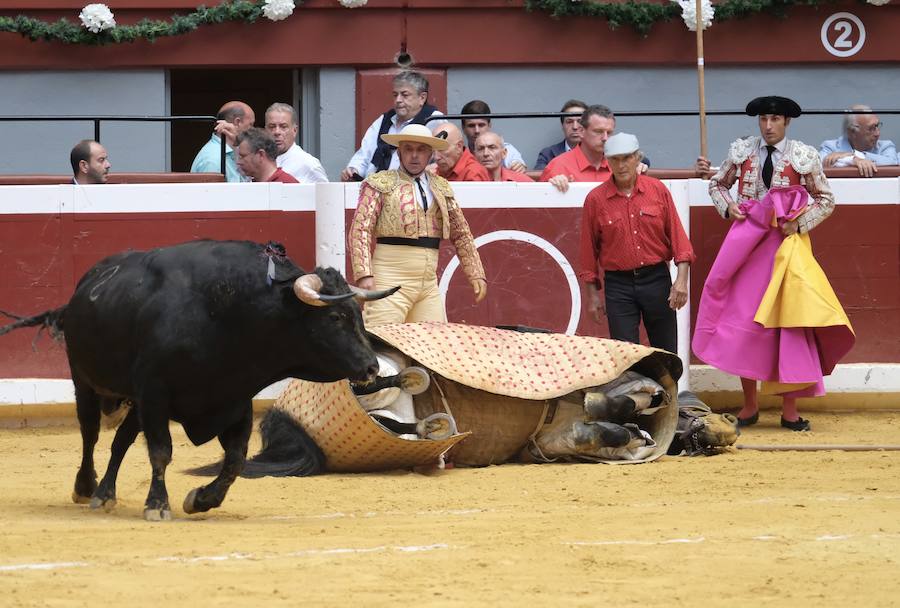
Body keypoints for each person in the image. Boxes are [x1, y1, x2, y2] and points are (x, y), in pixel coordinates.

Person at [695, 95, 837, 432]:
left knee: (788, 325)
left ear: (787, 122)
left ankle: (789, 411)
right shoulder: (742, 152)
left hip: (787, 249)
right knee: (747, 323)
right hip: (748, 246)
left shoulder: (804, 156)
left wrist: (798, 224)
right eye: (763, 119)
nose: (768, 126)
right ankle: (750, 404)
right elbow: (717, 184)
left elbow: (826, 200)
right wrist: (728, 208)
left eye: (774, 119)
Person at [348, 123, 486, 326]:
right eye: (408, 149)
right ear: (399, 152)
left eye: (421, 149)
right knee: (384, 343)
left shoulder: (440, 185)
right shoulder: (379, 183)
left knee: (434, 347)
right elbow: (361, 230)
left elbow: (461, 233)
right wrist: (364, 273)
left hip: (428, 283)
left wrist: (475, 272)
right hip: (389, 279)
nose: (414, 155)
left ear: (430, 153)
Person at [578, 132, 693, 354]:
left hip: (657, 279)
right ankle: (632, 391)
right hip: (617, 285)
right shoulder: (595, 200)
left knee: (665, 349)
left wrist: (681, 281)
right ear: (607, 161)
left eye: (626, 158)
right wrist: (592, 296)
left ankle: (669, 391)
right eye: (614, 159)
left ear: (637, 158)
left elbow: (679, 238)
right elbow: (588, 251)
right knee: (625, 353)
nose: (621, 165)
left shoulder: (657, 190)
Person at [341, 71, 444, 181]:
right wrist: (353, 169)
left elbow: (443, 160)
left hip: (412, 188)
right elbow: (364, 154)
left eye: (405, 95)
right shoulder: (384, 120)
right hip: (372, 188)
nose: (398, 100)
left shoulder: (435, 121)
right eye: (395, 95)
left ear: (422, 98)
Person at [540, 105, 649, 193]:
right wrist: (554, 188)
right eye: (598, 131)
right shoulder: (558, 167)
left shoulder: (622, 165)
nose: (605, 138)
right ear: (582, 132)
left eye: (609, 132)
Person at [819, 105, 899, 177]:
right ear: (852, 132)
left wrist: (856, 156)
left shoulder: (885, 146)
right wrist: (852, 160)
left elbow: (893, 162)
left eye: (877, 126)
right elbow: (818, 164)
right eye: (871, 128)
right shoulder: (830, 147)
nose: (877, 133)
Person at [191, 101, 256, 183]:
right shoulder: (213, 160)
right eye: (251, 125)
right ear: (237, 122)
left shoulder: (235, 153)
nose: (253, 131)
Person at [264, 102, 329, 183]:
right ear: (265, 130)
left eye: (283, 127)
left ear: (294, 130)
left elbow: (324, 195)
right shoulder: (258, 160)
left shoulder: (309, 165)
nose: (277, 132)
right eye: (272, 127)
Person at [460, 99, 526, 172]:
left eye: (481, 125)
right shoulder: (458, 153)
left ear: (489, 126)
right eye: (471, 126)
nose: (477, 130)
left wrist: (519, 166)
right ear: (463, 128)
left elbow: (516, 164)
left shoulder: (505, 149)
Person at [534, 99, 588, 170]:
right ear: (562, 126)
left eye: (580, 121)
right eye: (569, 122)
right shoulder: (548, 154)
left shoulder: (599, 153)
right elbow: (540, 177)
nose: (575, 127)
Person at [235, 127, 299, 183]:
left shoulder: (288, 186)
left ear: (261, 155)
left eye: (243, 156)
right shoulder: (250, 185)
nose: (239, 162)